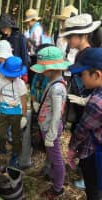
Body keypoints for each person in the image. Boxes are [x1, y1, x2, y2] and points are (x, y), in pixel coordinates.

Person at [61, 13, 101, 189]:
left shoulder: (90, 56)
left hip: (93, 140)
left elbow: (83, 128)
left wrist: (72, 147)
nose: (69, 40)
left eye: (71, 36)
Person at [30, 46, 70, 199]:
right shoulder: (52, 81)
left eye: (43, 69)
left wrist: (51, 135)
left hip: (50, 128)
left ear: (52, 69)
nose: (41, 72)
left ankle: (57, 189)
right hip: (46, 126)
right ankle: (53, 177)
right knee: (52, 156)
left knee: (57, 159)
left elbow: (57, 114)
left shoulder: (57, 88)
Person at [67, 48, 102, 200]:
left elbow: (82, 129)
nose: (80, 79)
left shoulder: (96, 102)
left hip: (94, 153)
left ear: (97, 74)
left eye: (82, 75)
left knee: (93, 190)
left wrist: (72, 148)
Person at [0, 56, 27, 167]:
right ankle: (2, 148)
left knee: (16, 135)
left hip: (16, 113)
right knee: (0, 134)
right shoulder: (0, 81)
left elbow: (23, 100)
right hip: (3, 111)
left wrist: (24, 116)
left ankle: (16, 154)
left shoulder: (20, 84)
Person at [0, 13, 28, 83]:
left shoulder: (20, 37)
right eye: (2, 27)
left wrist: (25, 72)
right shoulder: (3, 38)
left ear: (10, 26)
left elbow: (24, 55)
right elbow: (0, 54)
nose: (3, 29)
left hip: (16, 67)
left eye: (5, 27)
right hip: (5, 69)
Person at [23, 8, 43, 85]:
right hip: (32, 56)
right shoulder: (32, 29)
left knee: (33, 79)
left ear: (34, 20)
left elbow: (37, 44)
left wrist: (28, 38)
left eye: (29, 21)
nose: (28, 23)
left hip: (37, 57)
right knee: (31, 78)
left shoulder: (37, 29)